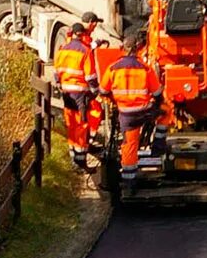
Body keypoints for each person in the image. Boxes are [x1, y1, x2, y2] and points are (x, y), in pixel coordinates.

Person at [101, 29, 163, 187]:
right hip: (144, 111)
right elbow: (157, 92)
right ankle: (158, 145)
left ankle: (129, 178)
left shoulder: (113, 68)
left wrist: (114, 100)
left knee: (130, 144)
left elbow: (103, 90)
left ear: (123, 48)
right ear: (137, 49)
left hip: (126, 114)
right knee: (166, 113)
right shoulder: (145, 68)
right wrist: (156, 106)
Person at [52, 21, 99, 170]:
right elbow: (90, 76)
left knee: (71, 123)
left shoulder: (62, 50)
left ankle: (73, 157)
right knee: (81, 125)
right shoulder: (85, 51)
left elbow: (56, 73)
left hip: (66, 92)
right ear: (83, 34)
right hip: (80, 93)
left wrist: (61, 84)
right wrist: (95, 91)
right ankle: (80, 162)